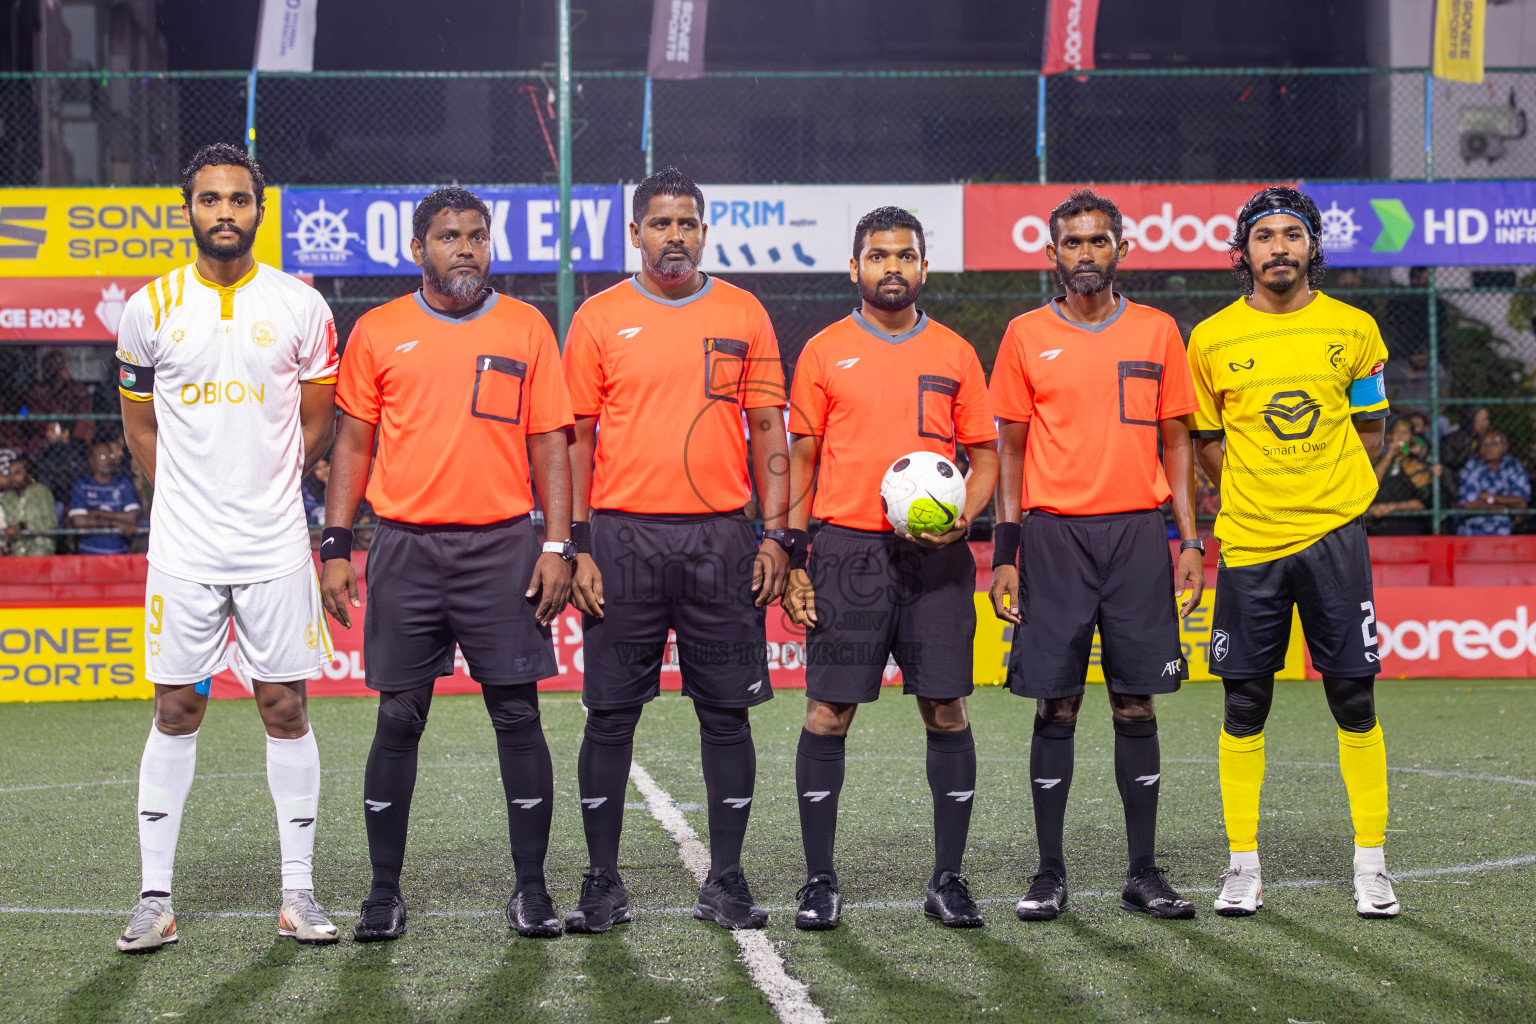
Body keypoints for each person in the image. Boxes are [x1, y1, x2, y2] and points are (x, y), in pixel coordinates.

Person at [322, 187, 574, 943]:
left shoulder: (527, 327)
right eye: (447, 237)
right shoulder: (377, 330)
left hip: (503, 546)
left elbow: (549, 446)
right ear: (418, 249)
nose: (464, 248)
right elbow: (354, 446)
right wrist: (336, 542)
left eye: (475, 236)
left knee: (517, 714)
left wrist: (557, 544)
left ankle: (531, 890)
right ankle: (382, 893)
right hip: (405, 547)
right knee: (399, 717)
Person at [114, 143, 342, 952]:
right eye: (208, 199)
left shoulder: (301, 307)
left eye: (238, 200)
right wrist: (187, 496)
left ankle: (299, 893)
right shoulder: (147, 308)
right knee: (177, 709)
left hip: (276, 543)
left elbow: (318, 421)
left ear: (259, 208)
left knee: (285, 707)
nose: (223, 213)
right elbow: (139, 429)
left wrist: (274, 486)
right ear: (188, 210)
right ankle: (154, 899)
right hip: (183, 549)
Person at [562, 167, 789, 933]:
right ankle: (601, 882)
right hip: (620, 539)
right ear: (636, 234)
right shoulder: (597, 318)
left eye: (687, 222)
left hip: (722, 539)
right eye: (660, 223)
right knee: (609, 717)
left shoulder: (744, 312)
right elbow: (577, 440)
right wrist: (577, 545)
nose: (675, 236)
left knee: (726, 716)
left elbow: (768, 433)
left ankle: (726, 878)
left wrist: (778, 535)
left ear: (703, 230)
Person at [988, 188, 1204, 923]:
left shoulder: (1157, 331)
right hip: (1053, 539)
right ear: (1051, 254)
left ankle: (1143, 871)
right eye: (1072, 243)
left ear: (1121, 248)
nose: (1086, 254)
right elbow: (1009, 452)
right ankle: (1050, 872)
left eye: (1098, 241)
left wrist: (1190, 540)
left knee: (1135, 701)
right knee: (1058, 701)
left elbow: (1177, 442)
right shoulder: (1022, 335)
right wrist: (1006, 551)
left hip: (1138, 536)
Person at [783, 206, 999, 931]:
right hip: (847, 552)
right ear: (855, 268)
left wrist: (967, 512)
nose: (893, 267)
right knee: (827, 712)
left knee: (946, 707)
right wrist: (793, 554)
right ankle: (818, 881)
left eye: (905, 255)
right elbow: (803, 462)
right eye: (878, 256)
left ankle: (948, 879)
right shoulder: (822, 351)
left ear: (924, 268)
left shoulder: (956, 353)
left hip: (936, 559)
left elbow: (988, 453)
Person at [1188, 185, 1398, 920]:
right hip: (1249, 543)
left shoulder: (1356, 329)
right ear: (1242, 252)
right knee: (1244, 702)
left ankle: (1371, 863)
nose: (1279, 246)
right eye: (1265, 236)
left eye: (1292, 234)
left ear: (1313, 246)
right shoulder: (1210, 338)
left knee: (1353, 695)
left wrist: (1332, 495)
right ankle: (1243, 865)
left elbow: (1372, 431)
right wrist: (1258, 492)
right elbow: (1207, 443)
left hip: (1336, 538)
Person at [1367, 417, 1441, 536]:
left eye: (1405, 433)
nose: (1400, 437)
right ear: (1389, 437)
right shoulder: (1379, 462)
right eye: (1397, 432)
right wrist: (1390, 455)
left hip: (1408, 524)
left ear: (1411, 438)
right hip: (1378, 523)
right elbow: (1370, 486)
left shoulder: (1417, 465)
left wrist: (1391, 507)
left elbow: (1423, 503)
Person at [68, 441, 141, 555]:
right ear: (91, 461)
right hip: (88, 555)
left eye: (110, 455)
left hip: (120, 555)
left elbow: (132, 518)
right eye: (102, 456)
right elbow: (79, 521)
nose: (107, 460)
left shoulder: (123, 483)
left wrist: (98, 513)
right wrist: (114, 524)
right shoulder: (82, 485)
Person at [1455, 430, 1530, 536]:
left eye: (1494, 444)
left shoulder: (1514, 466)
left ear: (1504, 447)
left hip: (1505, 528)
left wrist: (1491, 498)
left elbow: (1521, 503)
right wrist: (1506, 507)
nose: (1488, 448)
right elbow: (1468, 505)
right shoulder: (1471, 467)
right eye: (1484, 444)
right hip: (1472, 528)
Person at [31, 419, 90, 517]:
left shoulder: (80, 452)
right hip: (54, 499)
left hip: (77, 497)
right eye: (47, 430)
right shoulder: (45, 455)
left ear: (65, 433)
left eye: (52, 430)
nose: (48, 434)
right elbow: (42, 479)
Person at [2, 453, 57, 555]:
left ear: (28, 475)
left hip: (40, 548)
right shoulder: (7, 498)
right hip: (17, 551)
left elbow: (51, 523)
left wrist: (23, 526)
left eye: (17, 473)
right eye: (10, 474)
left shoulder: (41, 492)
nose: (12, 478)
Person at [1440, 405, 1490, 473]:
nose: (1486, 423)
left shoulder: (1486, 439)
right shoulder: (1452, 440)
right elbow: (1449, 464)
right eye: (1484, 419)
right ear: (1472, 418)